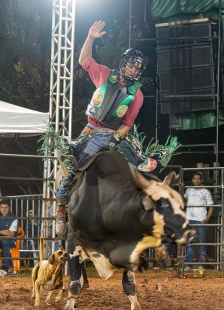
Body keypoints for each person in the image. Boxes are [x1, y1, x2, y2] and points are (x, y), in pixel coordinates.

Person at [55, 20, 146, 235]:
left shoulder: (137, 95)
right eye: (131, 64)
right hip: (90, 130)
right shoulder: (105, 74)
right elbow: (84, 60)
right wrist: (90, 38)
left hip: (113, 135)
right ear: (123, 63)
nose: (133, 70)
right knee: (73, 163)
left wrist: (115, 138)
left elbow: (127, 124)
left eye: (138, 67)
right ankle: (61, 206)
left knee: (137, 169)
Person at [184, 172, 214, 269]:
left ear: (201, 180)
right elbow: (183, 201)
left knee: (202, 241)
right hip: (189, 220)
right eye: (194, 178)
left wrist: (207, 218)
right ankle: (189, 265)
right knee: (189, 242)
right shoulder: (188, 191)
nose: (196, 180)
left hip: (201, 220)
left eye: (198, 179)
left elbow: (211, 206)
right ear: (192, 180)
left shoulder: (206, 192)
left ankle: (202, 265)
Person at [0, 199, 18, 274]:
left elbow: (11, 234)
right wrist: (4, 232)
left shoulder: (14, 218)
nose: (4, 210)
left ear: (9, 208)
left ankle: (5, 266)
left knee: (5, 241)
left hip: (11, 241)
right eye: (2, 207)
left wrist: (0, 232)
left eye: (6, 207)